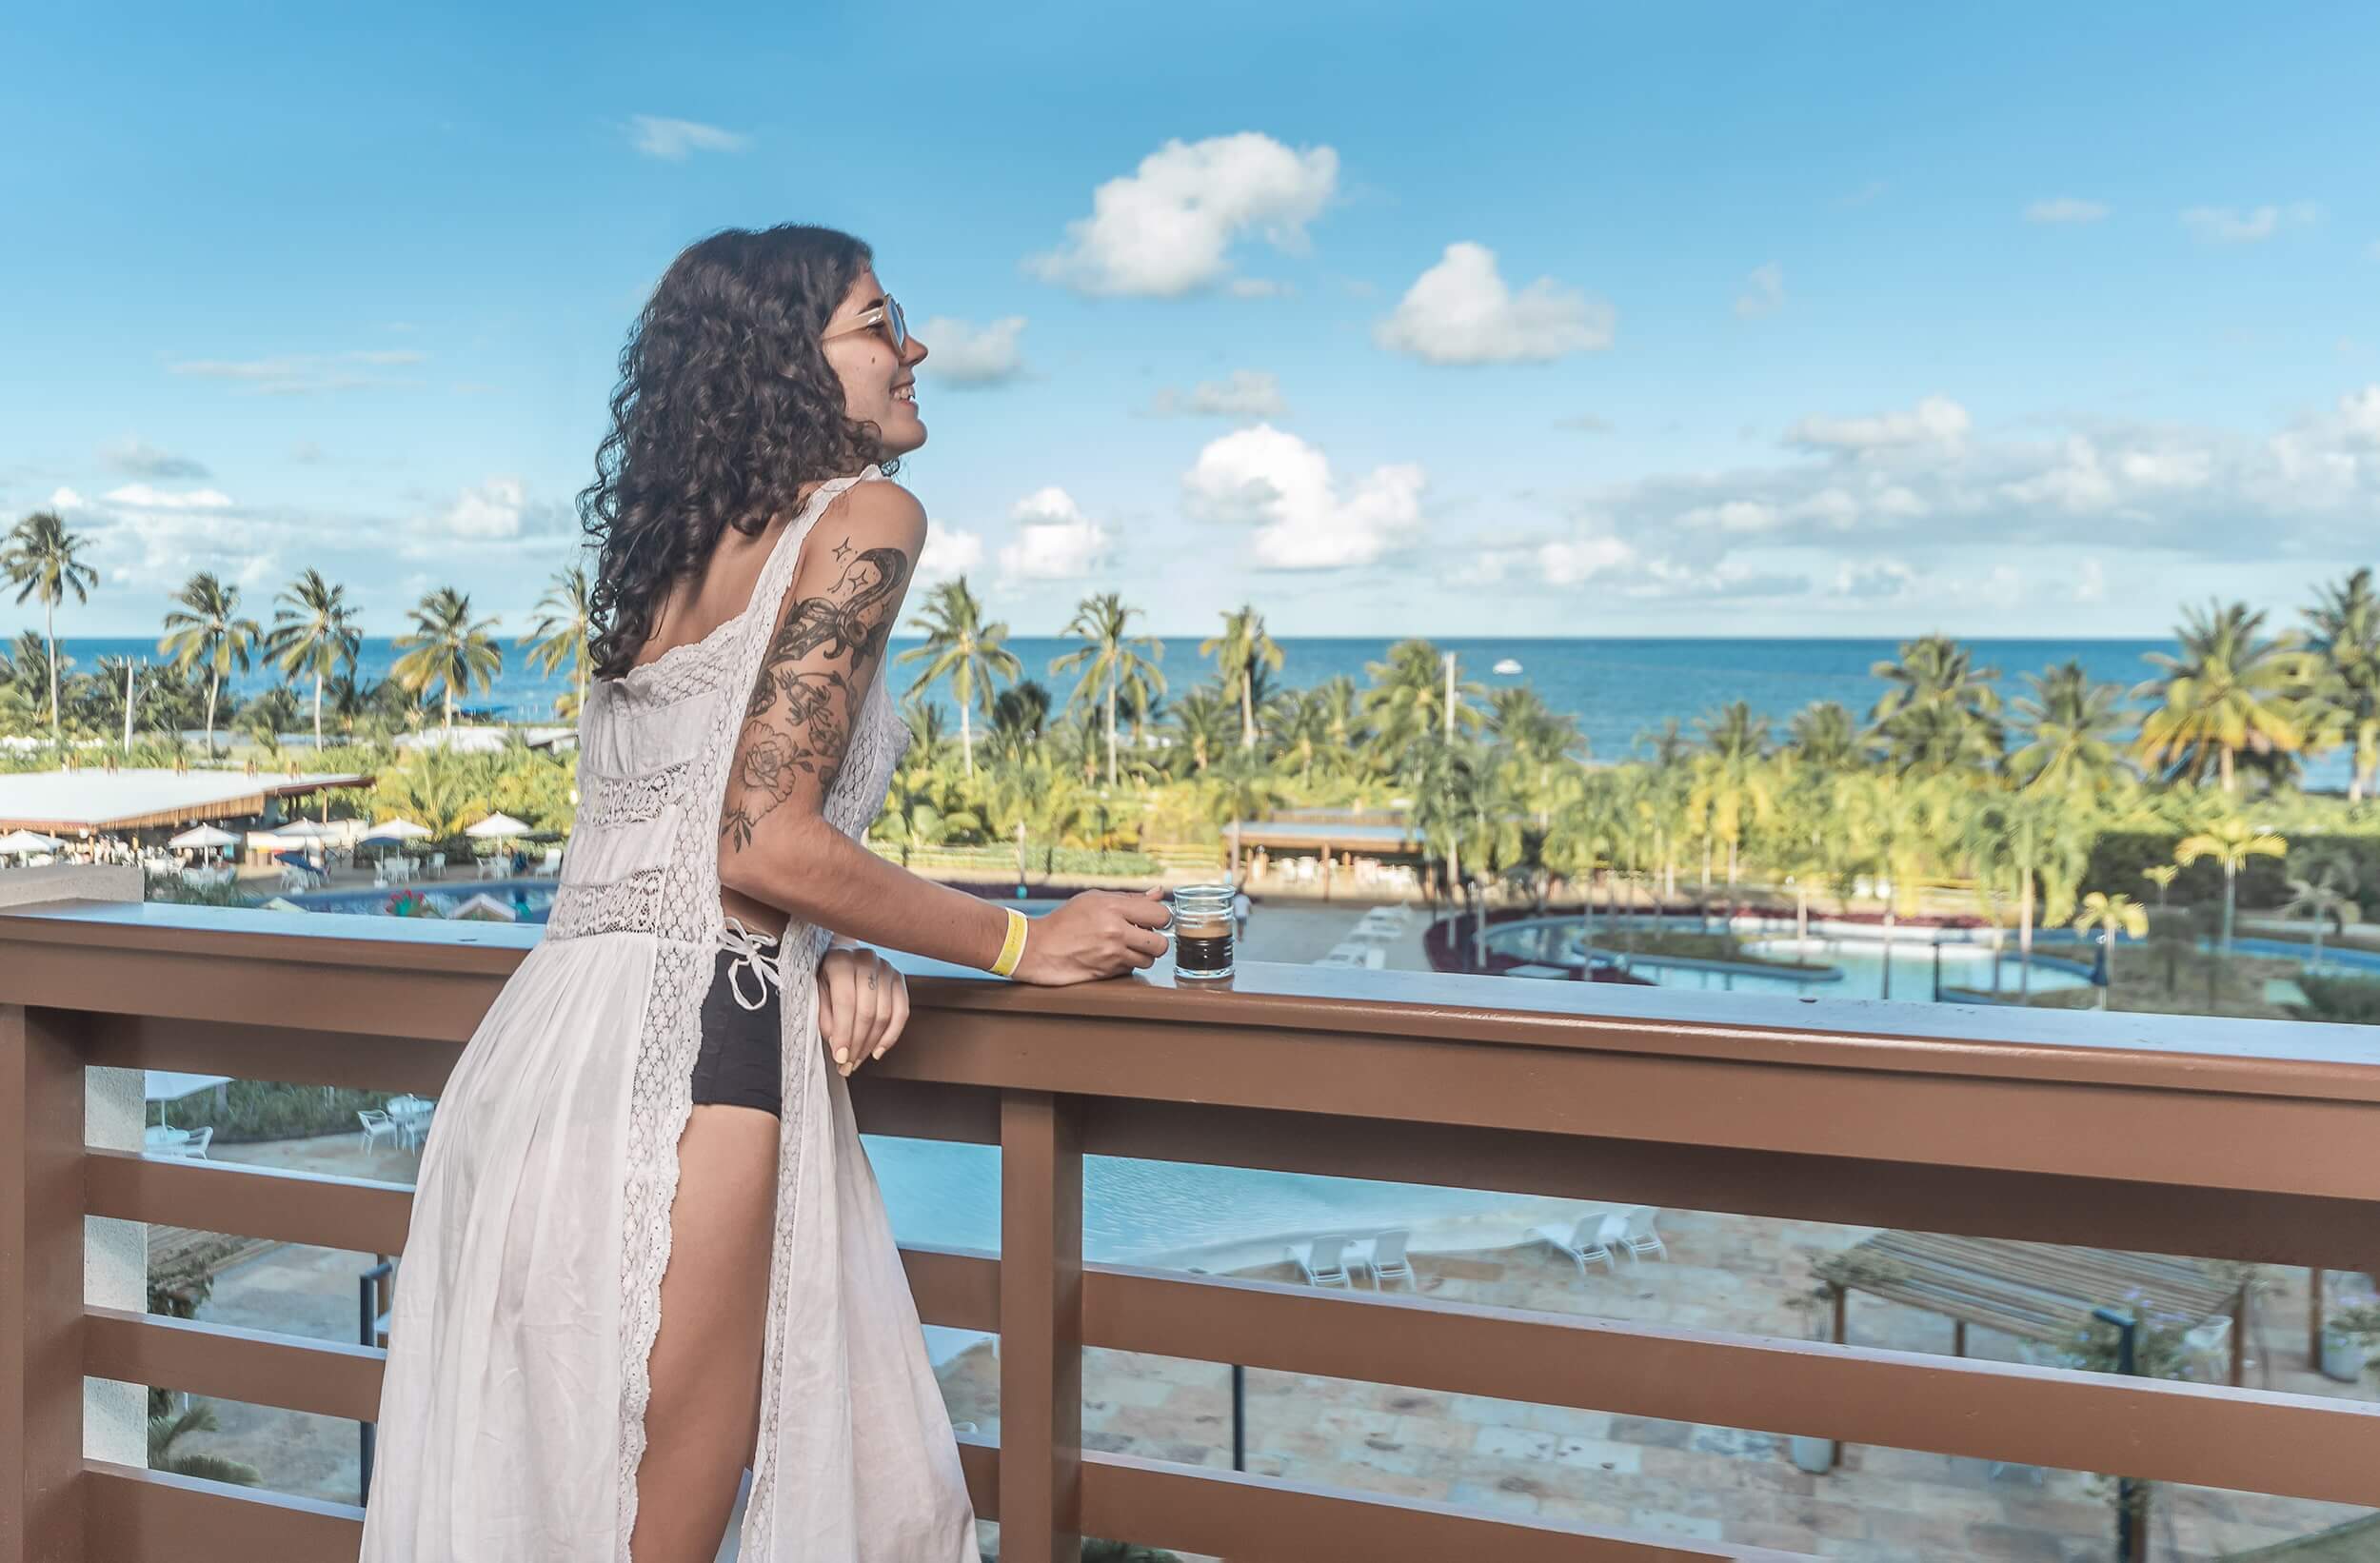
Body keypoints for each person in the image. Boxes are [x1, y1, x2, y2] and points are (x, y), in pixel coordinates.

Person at [361, 225, 1174, 1563]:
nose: (912, 350)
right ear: (784, 365)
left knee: (535, 1511)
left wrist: (835, 946)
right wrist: (1026, 939)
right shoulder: (867, 519)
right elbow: (758, 843)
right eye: (877, 323)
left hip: (534, 1065)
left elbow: (696, 836)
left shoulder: (666, 567)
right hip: (695, 1057)